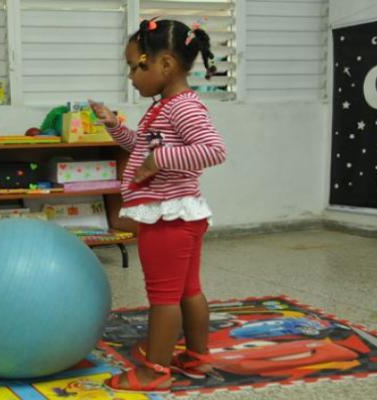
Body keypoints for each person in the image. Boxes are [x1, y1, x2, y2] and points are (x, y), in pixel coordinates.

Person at [90, 19, 227, 393]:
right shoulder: (164, 106)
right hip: (180, 214)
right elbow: (140, 146)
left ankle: (155, 371)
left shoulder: (182, 107)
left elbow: (213, 150)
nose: (132, 76)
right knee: (187, 292)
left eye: (138, 66)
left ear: (165, 65)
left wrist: (157, 161)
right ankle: (197, 360)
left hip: (169, 215)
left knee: (163, 299)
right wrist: (114, 126)